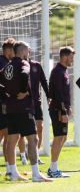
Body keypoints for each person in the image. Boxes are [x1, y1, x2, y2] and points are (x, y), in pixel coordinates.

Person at [0, 41, 51, 182]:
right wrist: (23, 91)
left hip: (10, 109)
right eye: (28, 51)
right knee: (32, 139)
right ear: (23, 51)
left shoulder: (7, 66)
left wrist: (7, 94)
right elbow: (24, 74)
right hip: (24, 108)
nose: (29, 54)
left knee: (12, 140)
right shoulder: (24, 63)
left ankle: (13, 172)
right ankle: (36, 174)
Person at [47, 46, 75, 178]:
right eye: (71, 57)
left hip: (62, 109)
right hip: (58, 109)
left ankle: (54, 167)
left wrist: (68, 108)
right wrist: (63, 110)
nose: (72, 59)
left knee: (63, 138)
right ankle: (53, 170)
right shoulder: (57, 71)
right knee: (58, 137)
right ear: (64, 56)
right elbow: (57, 93)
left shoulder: (63, 70)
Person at [0, 37, 15, 176]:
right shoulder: (2, 62)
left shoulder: (7, 62)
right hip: (2, 103)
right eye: (13, 50)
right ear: (8, 50)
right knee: (7, 135)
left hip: (4, 102)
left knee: (5, 136)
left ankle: (8, 169)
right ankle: (9, 169)